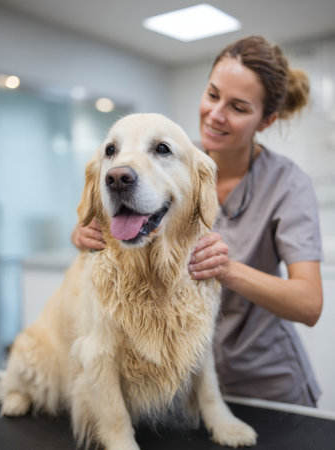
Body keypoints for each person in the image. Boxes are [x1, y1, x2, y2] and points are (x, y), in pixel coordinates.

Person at [71, 36, 323, 407]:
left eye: (237, 107)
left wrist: (227, 269)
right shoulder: (171, 155)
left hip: (265, 381)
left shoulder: (288, 183)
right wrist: (85, 232)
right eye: (212, 94)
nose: (216, 113)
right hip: (184, 382)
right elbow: (119, 205)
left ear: (266, 120)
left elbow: (308, 303)